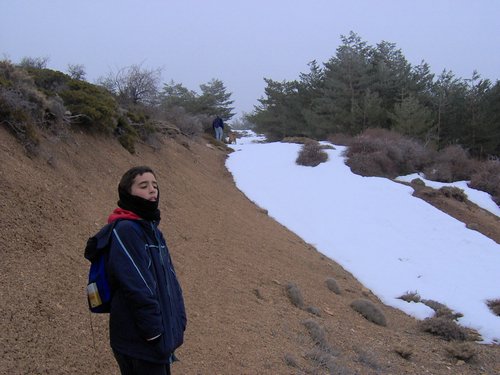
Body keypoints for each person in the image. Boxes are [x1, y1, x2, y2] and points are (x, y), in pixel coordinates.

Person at [106, 166, 186, 375]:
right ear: (127, 193)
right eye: (144, 186)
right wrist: (154, 333)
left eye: (155, 185)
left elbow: (170, 281)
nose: (152, 190)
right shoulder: (126, 230)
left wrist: (179, 319)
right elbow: (136, 286)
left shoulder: (153, 232)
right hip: (139, 343)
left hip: (156, 343)